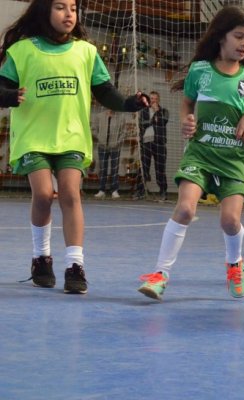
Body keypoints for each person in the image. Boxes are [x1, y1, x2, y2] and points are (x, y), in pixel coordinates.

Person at [0, 0, 149, 294]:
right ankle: (41, 258)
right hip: (33, 137)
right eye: (60, 7)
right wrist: (9, 96)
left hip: (72, 136)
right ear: (45, 11)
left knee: (70, 194)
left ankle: (74, 265)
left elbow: (106, 92)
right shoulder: (22, 51)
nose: (69, 14)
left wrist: (129, 103)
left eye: (72, 8)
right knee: (43, 195)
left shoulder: (86, 52)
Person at [136, 5, 244, 301]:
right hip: (201, 152)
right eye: (239, 36)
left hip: (236, 158)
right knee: (185, 209)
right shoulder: (200, 71)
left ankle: (235, 264)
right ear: (221, 36)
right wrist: (187, 119)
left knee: (230, 221)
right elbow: (187, 102)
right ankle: (160, 274)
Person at [93, 105, 133, 199]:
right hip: (102, 146)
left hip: (115, 147)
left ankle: (114, 190)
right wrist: (100, 139)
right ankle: (101, 190)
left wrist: (117, 142)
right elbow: (94, 129)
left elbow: (124, 132)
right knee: (103, 168)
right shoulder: (99, 116)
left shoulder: (120, 117)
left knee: (115, 169)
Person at [136, 90, 169, 201]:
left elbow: (164, 121)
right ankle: (140, 191)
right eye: (151, 99)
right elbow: (141, 124)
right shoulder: (144, 111)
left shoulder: (164, 111)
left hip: (159, 143)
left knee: (160, 168)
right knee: (144, 168)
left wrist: (157, 112)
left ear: (158, 100)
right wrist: (152, 120)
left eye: (155, 99)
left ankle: (163, 191)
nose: (153, 100)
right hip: (146, 143)